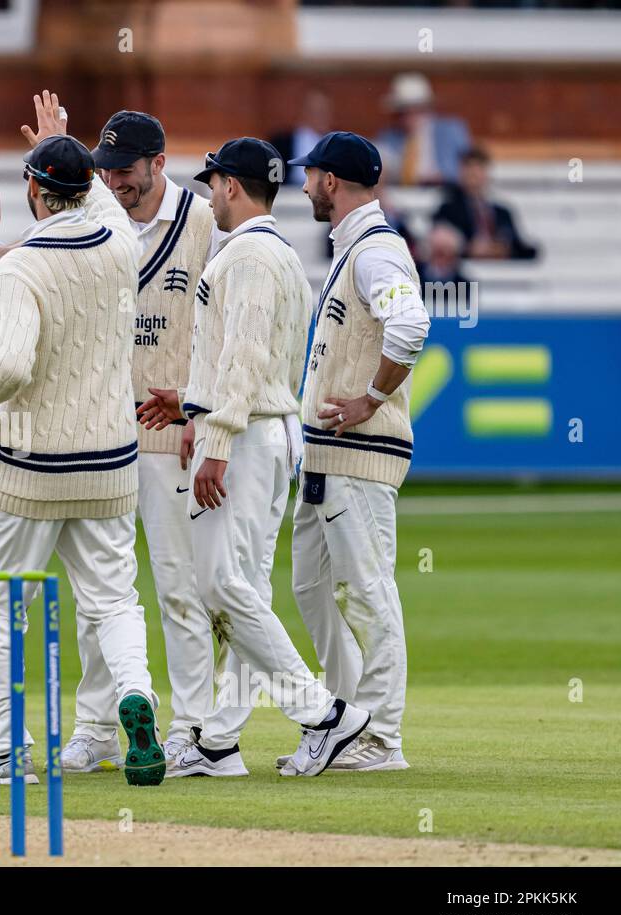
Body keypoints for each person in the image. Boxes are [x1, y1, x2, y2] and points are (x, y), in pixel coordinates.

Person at [0, 95, 166, 788]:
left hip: (32, 464)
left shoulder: (22, 265)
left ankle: (8, 754)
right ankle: (136, 698)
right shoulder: (122, 244)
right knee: (114, 602)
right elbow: (101, 204)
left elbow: (8, 365)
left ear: (35, 191)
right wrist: (65, 147)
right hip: (109, 459)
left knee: (2, 607)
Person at [151, 137, 372, 777]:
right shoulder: (277, 252)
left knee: (220, 583)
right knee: (242, 587)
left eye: (213, 182)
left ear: (231, 187)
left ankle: (324, 715)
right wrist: (194, 403)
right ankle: (219, 743)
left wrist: (215, 438)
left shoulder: (246, 255)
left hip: (247, 437)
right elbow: (245, 361)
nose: (207, 194)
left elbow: (244, 358)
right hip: (269, 432)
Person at [69, 109, 222, 777]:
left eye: (125, 169)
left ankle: (192, 725)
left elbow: (222, 328)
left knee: (178, 586)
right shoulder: (94, 213)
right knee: (98, 591)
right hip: (100, 433)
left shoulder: (205, 223)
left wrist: (204, 415)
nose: (114, 180)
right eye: (105, 168)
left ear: (159, 163)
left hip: (171, 432)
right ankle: (97, 727)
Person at [286, 130, 431, 772]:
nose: (306, 185)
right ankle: (346, 718)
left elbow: (412, 324)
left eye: (312, 174)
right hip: (324, 456)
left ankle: (381, 737)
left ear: (332, 181)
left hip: (361, 451)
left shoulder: (375, 252)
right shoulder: (354, 249)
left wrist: (370, 397)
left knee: (368, 590)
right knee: (313, 587)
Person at [433, 146, 538, 260]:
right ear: (461, 173)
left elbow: (520, 247)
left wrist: (504, 249)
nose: (474, 174)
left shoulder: (503, 213)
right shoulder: (447, 211)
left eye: (479, 168)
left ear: (487, 173)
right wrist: (468, 249)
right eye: (470, 168)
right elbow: (440, 250)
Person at [375, 72, 471, 187]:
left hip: (446, 193)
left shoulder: (451, 130)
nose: (409, 116)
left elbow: (469, 167)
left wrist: (444, 177)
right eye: (403, 111)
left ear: (427, 108)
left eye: (416, 109)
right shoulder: (388, 137)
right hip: (403, 195)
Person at [268, 90, 332, 186]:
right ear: (303, 111)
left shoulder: (336, 145)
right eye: (314, 111)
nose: (319, 116)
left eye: (323, 110)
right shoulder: (281, 143)